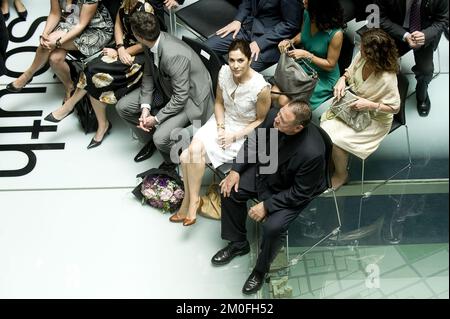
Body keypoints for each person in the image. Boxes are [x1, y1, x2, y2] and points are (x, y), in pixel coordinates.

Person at [211, 101, 327, 295]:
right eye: (280, 113)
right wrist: (236, 170)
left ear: (298, 127)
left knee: (273, 228)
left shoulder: (312, 153)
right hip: (267, 169)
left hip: (289, 191)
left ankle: (260, 270)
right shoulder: (275, 116)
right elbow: (254, 142)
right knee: (229, 190)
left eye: (283, 120)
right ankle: (238, 244)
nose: (277, 119)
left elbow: (301, 193)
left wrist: (267, 205)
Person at [170, 39, 271, 227]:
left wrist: (233, 136)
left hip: (243, 133)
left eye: (240, 60)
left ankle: (188, 204)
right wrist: (221, 127)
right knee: (190, 153)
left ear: (249, 60)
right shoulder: (224, 72)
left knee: (186, 156)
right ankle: (192, 202)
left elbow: (260, 120)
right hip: (221, 122)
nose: (235, 65)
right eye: (232, 60)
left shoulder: (261, 88)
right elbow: (218, 102)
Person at [43, 0, 155, 149]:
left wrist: (121, 52)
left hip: (137, 59)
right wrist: (120, 46)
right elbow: (118, 25)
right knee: (92, 72)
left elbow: (148, 42)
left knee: (93, 75)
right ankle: (101, 124)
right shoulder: (125, 2)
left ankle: (71, 108)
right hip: (121, 48)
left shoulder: (145, 8)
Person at [115, 11, 214, 165]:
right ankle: (149, 139)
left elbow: (181, 97)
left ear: (138, 36)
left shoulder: (173, 55)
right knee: (123, 107)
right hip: (166, 87)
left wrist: (156, 119)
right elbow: (148, 75)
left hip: (190, 100)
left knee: (160, 139)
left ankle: (175, 161)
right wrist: (145, 108)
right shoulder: (150, 42)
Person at [320, 28, 401, 190]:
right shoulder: (362, 57)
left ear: (372, 55)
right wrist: (342, 80)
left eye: (363, 48)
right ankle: (335, 161)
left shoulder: (387, 79)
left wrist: (369, 104)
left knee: (337, 140)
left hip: (374, 120)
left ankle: (342, 174)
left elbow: (395, 108)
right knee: (326, 127)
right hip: (354, 107)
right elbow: (349, 72)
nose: (359, 49)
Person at [5, 0, 113, 103]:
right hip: (71, 23)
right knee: (55, 58)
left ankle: (26, 76)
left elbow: (81, 25)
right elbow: (54, 14)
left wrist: (58, 43)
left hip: (96, 30)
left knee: (49, 43)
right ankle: (69, 87)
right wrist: (45, 33)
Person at [377, 0, 449, 117]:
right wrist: (404, 35)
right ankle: (387, 88)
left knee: (426, 70)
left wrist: (426, 35)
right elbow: (379, 17)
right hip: (396, 30)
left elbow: (442, 21)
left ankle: (422, 95)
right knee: (380, 61)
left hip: (425, 32)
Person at [273, 0, 345, 110]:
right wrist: (290, 41)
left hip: (322, 77)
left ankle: (283, 123)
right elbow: (303, 34)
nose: (303, 1)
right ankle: (270, 123)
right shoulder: (308, 13)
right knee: (273, 92)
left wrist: (307, 55)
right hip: (304, 66)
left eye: (308, 0)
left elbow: (330, 64)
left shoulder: (336, 34)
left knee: (284, 101)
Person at [205, 0, 301, 72]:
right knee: (206, 49)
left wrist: (260, 43)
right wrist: (238, 20)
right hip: (248, 27)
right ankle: (220, 81)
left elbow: (291, 24)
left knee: (241, 70)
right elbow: (247, 2)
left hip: (270, 39)